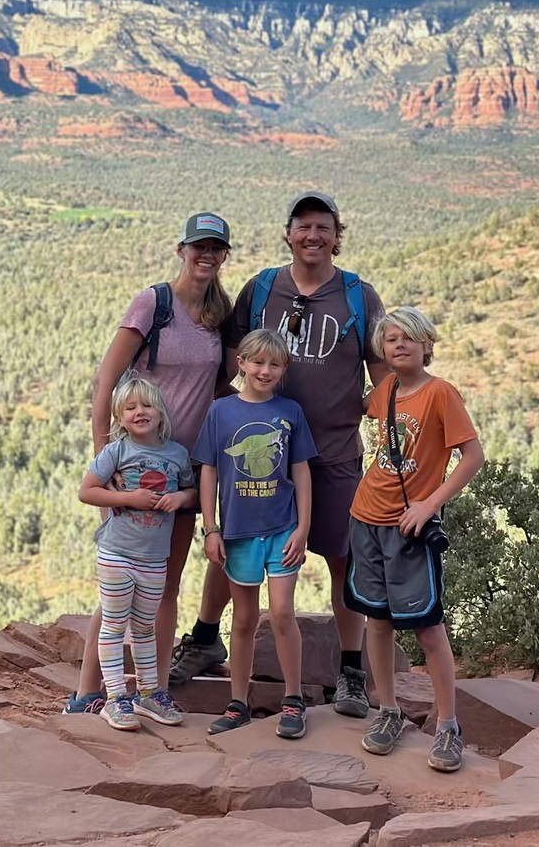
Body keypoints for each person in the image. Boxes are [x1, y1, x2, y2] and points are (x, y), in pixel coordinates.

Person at [171, 192, 388, 719]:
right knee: (238, 540)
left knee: (342, 557)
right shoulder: (262, 289)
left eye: (323, 227)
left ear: (338, 235)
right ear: (288, 234)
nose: (313, 236)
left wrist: (365, 412)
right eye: (303, 227)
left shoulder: (359, 295)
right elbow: (228, 365)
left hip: (333, 452)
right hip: (258, 452)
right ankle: (205, 637)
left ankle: (352, 670)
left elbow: (383, 375)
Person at [64, 212, 234, 720]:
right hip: (135, 469)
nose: (206, 255)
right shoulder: (153, 304)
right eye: (198, 246)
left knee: (164, 582)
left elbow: (221, 385)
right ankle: (87, 692)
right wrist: (106, 460)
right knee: (121, 581)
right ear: (181, 249)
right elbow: (106, 384)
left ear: (225, 255)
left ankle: (153, 690)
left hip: (188, 471)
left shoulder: (219, 314)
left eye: (216, 248)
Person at [346, 306, 483, 772]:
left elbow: (472, 455)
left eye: (409, 338)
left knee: (427, 626)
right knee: (377, 621)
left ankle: (448, 725)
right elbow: (350, 402)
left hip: (410, 525)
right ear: (382, 352)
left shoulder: (440, 393)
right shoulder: (384, 390)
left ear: (427, 345)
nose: (400, 345)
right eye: (390, 340)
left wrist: (430, 504)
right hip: (366, 516)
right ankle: (388, 711)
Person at [195, 330, 315, 738]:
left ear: (283, 370)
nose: (265, 370)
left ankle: (294, 699)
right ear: (241, 363)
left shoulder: (291, 411)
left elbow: (301, 470)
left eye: (274, 364)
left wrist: (303, 527)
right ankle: (238, 703)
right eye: (257, 362)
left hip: (282, 528)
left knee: (282, 612)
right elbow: (208, 469)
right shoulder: (221, 411)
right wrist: (211, 528)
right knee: (243, 618)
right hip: (238, 532)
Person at [78, 374, 197, 731]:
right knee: (114, 627)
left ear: (161, 413)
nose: (139, 412)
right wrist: (128, 498)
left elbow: (193, 493)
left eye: (146, 405)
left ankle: (148, 693)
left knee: (145, 628)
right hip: (117, 554)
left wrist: (180, 498)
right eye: (130, 408)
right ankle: (115, 698)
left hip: (154, 558)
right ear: (119, 417)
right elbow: (87, 491)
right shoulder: (117, 451)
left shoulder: (176, 455)